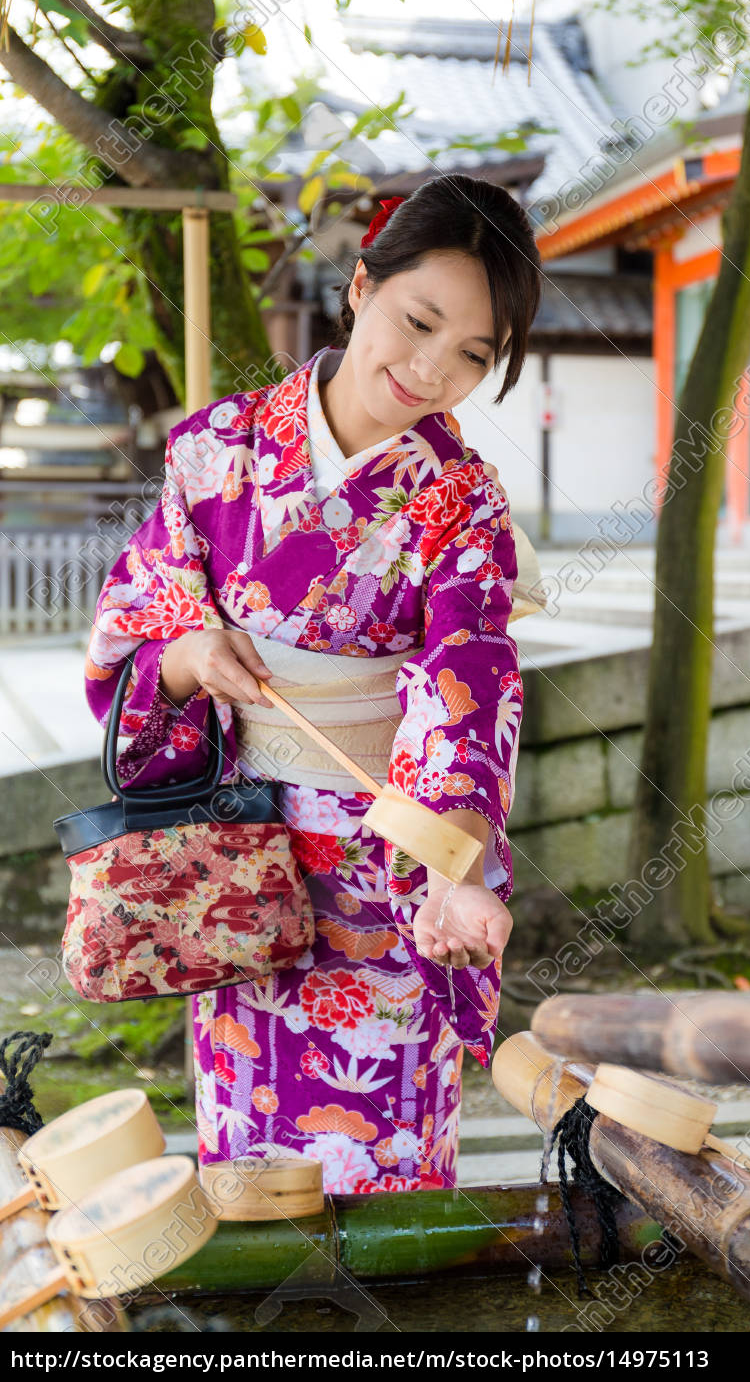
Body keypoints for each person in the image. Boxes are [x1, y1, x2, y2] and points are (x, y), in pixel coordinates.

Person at [84, 172, 543, 1194]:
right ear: (361, 285)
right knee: (251, 1171)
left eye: (473, 354)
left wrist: (455, 866)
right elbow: (139, 623)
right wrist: (187, 660)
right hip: (238, 862)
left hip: (388, 869)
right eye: (418, 321)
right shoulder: (212, 452)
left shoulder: (463, 502)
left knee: (386, 1166)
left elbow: (469, 673)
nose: (430, 369)